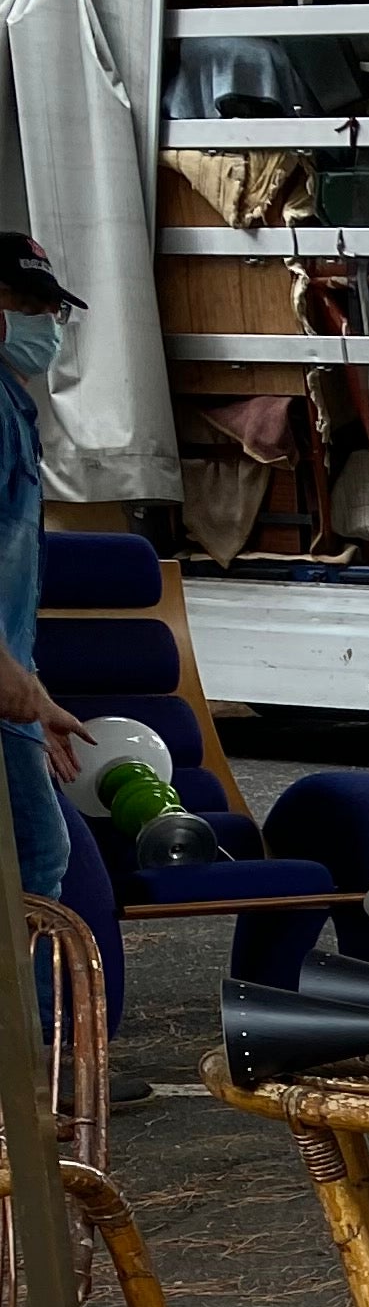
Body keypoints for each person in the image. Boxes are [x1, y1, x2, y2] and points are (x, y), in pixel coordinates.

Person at [0, 232, 90, 904]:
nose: (41, 322)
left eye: (48, 307)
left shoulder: (12, 405)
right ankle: (27, 1014)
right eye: (20, 301)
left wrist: (32, 694)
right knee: (36, 857)